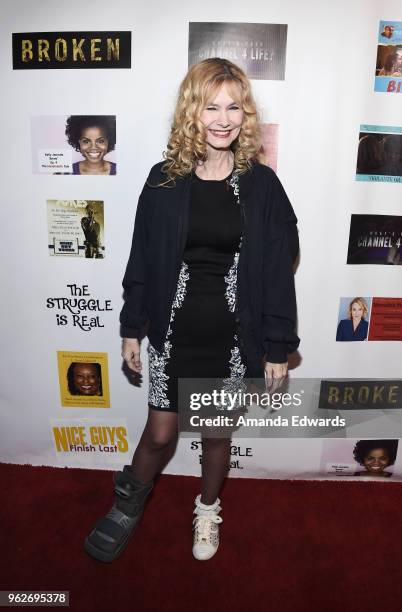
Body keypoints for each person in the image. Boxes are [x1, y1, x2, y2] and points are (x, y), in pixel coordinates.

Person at [84, 58, 300, 563]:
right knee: (160, 431)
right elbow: (141, 256)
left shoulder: (261, 185)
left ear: (245, 114)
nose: (223, 119)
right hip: (173, 329)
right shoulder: (163, 180)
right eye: (211, 106)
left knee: (216, 433)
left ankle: (207, 509)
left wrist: (277, 345)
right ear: (191, 112)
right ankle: (127, 504)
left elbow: (276, 268)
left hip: (232, 334)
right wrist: (131, 327)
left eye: (233, 107)